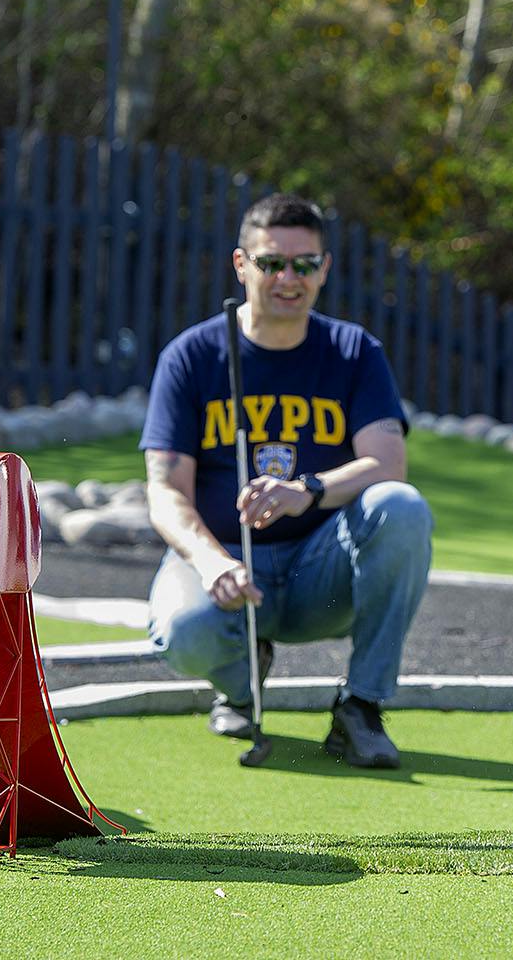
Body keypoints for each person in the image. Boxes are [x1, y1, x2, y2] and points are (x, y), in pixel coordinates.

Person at [139, 192, 433, 768]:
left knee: (402, 506)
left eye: (304, 264)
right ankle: (242, 685)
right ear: (242, 264)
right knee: (181, 629)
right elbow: (164, 490)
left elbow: (387, 465)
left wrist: (306, 491)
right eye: (272, 262)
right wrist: (208, 562)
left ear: (324, 269)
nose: (288, 278)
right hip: (228, 566)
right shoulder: (192, 356)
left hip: (321, 575)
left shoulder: (352, 351)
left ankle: (361, 706)